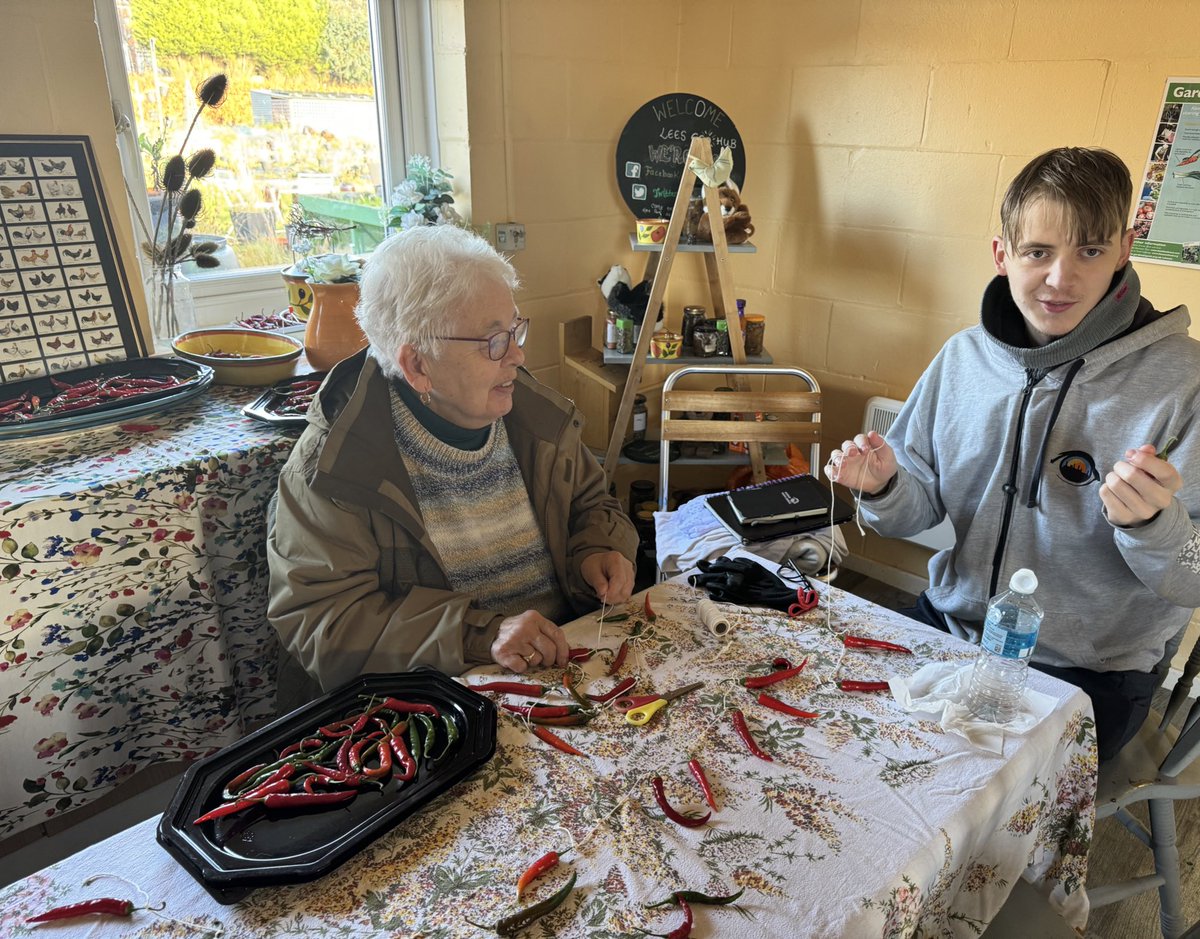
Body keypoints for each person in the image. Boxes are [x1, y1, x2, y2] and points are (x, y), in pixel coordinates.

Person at [826, 147, 1200, 760]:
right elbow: (910, 514)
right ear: (1002, 254)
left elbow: (1193, 575)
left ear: (1125, 249)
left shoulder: (1184, 382)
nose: (1061, 279)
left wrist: (1154, 526)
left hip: (1088, 671)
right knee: (839, 742)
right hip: (949, 625)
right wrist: (883, 488)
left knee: (957, 793)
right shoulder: (962, 359)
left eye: (1090, 250)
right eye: (1037, 252)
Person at [268, 225, 638, 708]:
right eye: (493, 343)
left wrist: (598, 548)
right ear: (418, 365)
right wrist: (481, 634)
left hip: (566, 666)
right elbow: (324, 625)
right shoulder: (333, 467)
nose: (519, 356)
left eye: (515, 331)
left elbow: (592, 503)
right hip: (439, 703)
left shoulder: (537, 417)